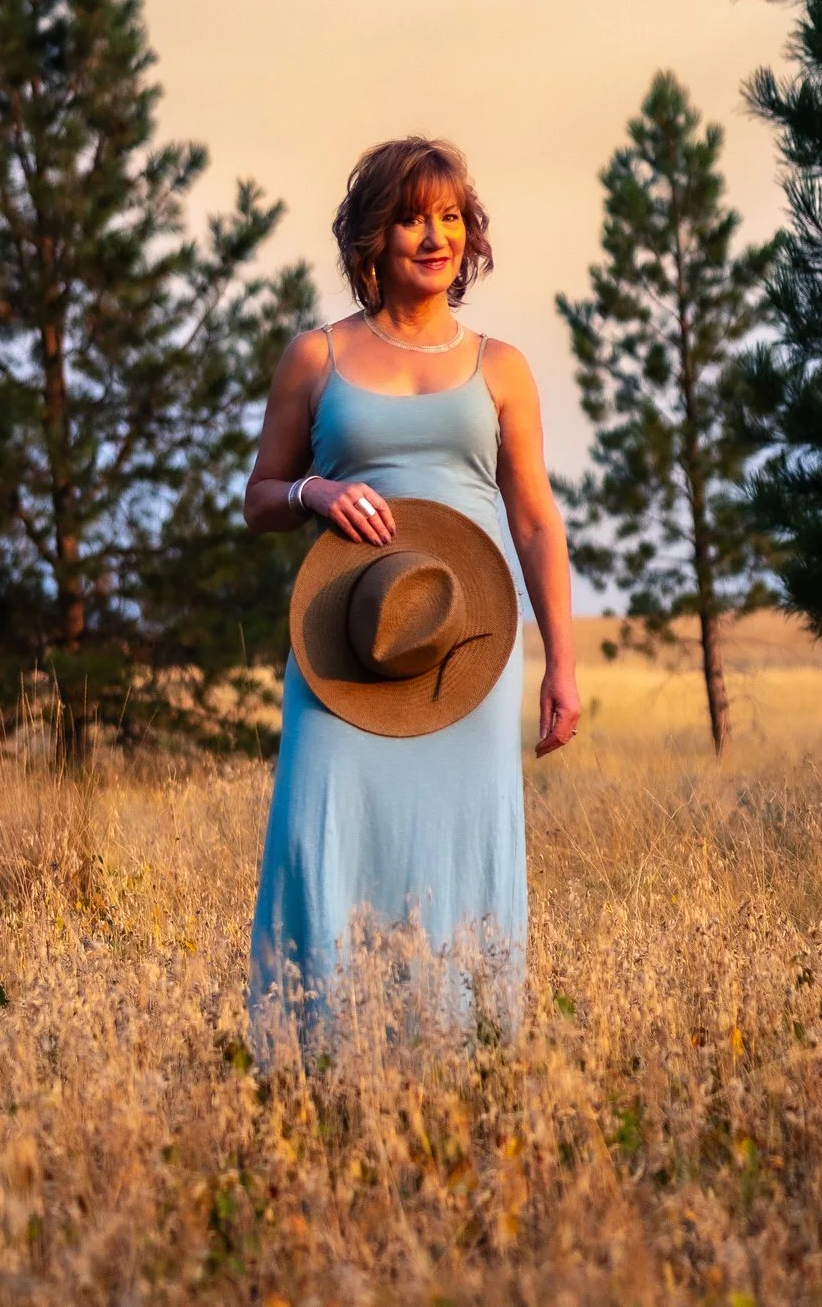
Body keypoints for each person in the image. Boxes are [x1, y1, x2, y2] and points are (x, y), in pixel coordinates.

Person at [245, 135, 580, 1037]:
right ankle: (315, 1047)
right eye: (409, 217)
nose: (434, 235)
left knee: (459, 850)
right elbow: (260, 498)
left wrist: (562, 666)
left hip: (460, 650)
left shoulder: (502, 366)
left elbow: (537, 521)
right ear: (371, 240)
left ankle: (462, 1046)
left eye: (449, 217)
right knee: (324, 833)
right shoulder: (315, 358)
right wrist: (315, 491)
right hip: (342, 644)